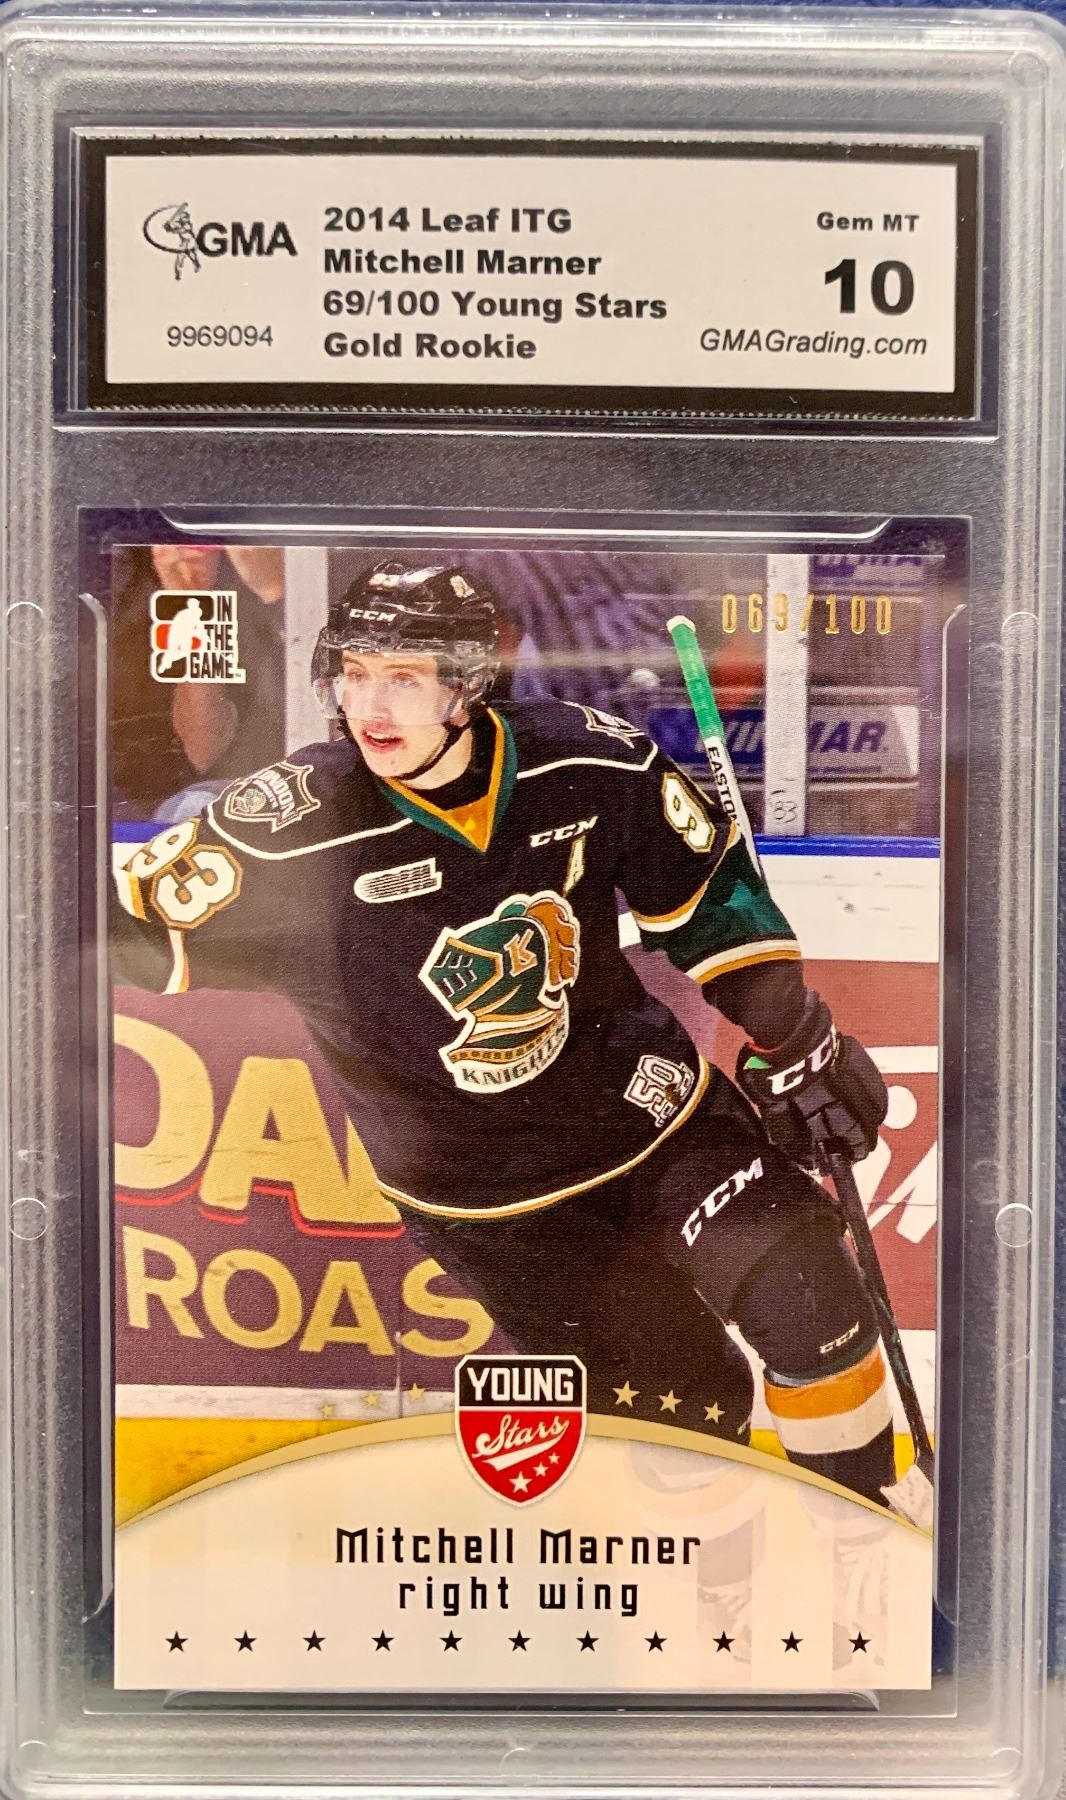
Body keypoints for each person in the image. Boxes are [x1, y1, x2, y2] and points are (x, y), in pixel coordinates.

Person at [111, 562, 895, 1505]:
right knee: (685, 1407)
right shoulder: (292, 825)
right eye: (354, 673)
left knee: (814, 1310)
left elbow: (705, 904)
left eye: (403, 677)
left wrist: (794, 1036)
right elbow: (113, 933)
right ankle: (721, 1586)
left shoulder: (589, 760)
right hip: (491, 1203)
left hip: (650, 1120)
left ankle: (861, 1539)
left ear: (469, 682)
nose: (371, 705)